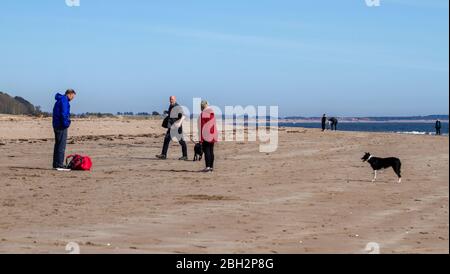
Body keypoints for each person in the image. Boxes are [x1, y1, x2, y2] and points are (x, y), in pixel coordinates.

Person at [156, 96, 188, 160]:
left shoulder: (177, 107)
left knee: (181, 141)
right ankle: (163, 155)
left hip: (177, 127)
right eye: (170, 99)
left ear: (175, 99)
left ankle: (185, 156)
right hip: (171, 127)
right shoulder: (170, 106)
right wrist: (166, 112)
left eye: (172, 99)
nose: (171, 100)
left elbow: (184, 116)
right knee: (166, 139)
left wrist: (179, 123)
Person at [52, 89, 76, 170]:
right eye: (73, 96)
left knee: (58, 145)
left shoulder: (60, 100)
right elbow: (64, 114)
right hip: (61, 125)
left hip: (56, 124)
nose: (73, 98)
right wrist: (67, 123)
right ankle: (59, 164)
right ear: (69, 94)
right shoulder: (64, 101)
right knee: (61, 145)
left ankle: (56, 164)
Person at [199, 100, 218, 172]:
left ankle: (208, 167)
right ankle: (211, 167)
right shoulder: (212, 112)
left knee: (207, 150)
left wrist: (201, 138)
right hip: (213, 133)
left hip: (206, 134)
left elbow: (202, 126)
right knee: (211, 150)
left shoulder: (203, 113)